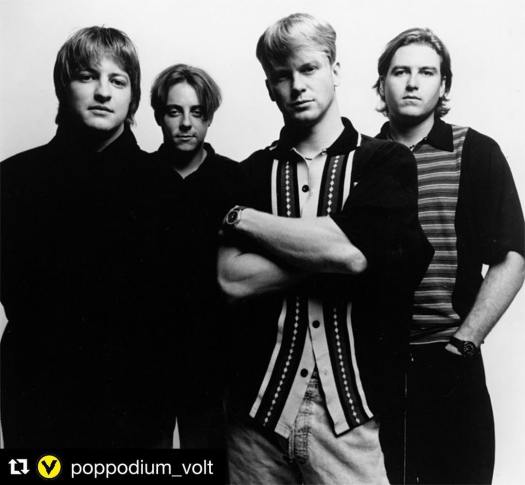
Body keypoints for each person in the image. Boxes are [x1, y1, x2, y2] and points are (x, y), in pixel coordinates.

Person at [218, 13, 432, 484]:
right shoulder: (250, 172)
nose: (297, 85)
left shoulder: (385, 161)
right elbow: (231, 279)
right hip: (256, 416)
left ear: (334, 69)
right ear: (270, 88)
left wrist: (242, 218)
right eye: (282, 76)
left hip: (351, 415)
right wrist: (341, 254)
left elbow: (355, 255)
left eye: (309, 68)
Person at [0, 26, 174, 448]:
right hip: (36, 395)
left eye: (118, 80)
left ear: (133, 97)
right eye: (86, 76)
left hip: (137, 402)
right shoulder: (13, 179)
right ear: (63, 87)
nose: (103, 92)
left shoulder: (165, 187)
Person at [374, 27, 525, 484]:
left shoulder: (475, 151)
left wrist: (465, 342)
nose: (412, 82)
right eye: (400, 71)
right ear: (381, 83)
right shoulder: (361, 157)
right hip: (373, 367)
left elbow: (513, 255)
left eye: (426, 72)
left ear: (444, 86)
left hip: (450, 362)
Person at [149, 64, 243, 448]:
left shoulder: (237, 180)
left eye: (197, 112)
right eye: (175, 111)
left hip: (214, 359)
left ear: (209, 118)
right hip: (146, 357)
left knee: (209, 463)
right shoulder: (136, 177)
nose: (186, 123)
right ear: (159, 116)